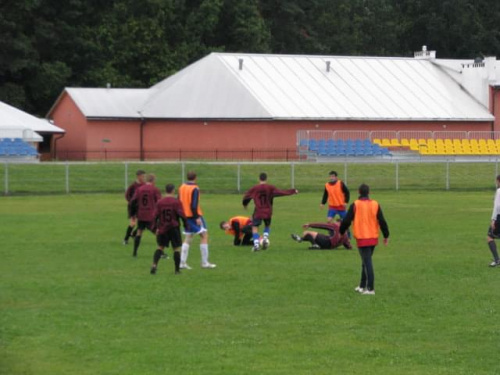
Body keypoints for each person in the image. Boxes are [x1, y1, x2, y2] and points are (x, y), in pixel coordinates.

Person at [339, 183, 389, 295]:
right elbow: (382, 221)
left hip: (362, 237)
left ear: (358, 192)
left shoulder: (355, 205)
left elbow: (346, 220)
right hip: (373, 237)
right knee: (365, 262)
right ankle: (362, 286)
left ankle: (370, 289)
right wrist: (386, 235)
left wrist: (341, 232)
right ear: (369, 192)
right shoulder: (375, 204)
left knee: (367, 262)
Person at [242, 172, 298, 251]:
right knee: (267, 226)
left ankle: (256, 245)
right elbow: (281, 192)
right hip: (268, 211)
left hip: (258, 211)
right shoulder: (270, 188)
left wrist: (245, 204)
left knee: (255, 227)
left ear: (259, 179)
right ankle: (265, 238)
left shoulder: (255, 188)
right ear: (266, 179)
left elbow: (247, 196)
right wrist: (292, 191)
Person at [178, 171, 216, 269]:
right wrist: (197, 217)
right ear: (195, 178)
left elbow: (178, 200)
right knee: (204, 235)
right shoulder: (195, 188)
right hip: (193, 216)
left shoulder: (182, 187)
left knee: (188, 237)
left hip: (184, 216)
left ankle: (182, 263)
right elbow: (194, 205)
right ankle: (204, 262)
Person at [150, 184, 187, 275]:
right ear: (173, 191)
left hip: (162, 228)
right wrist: (186, 225)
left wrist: (154, 228)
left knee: (160, 247)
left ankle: (154, 265)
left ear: (165, 190)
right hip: (174, 228)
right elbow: (182, 215)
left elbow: (154, 216)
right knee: (176, 249)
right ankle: (177, 270)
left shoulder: (159, 202)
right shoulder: (176, 202)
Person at [130, 173, 162, 257]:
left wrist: (133, 214)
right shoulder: (155, 190)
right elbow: (159, 203)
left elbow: (132, 201)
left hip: (141, 214)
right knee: (158, 232)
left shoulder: (139, 189)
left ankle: (134, 252)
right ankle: (161, 252)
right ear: (153, 181)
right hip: (150, 215)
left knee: (139, 232)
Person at [123, 169, 145, 244]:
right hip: (133, 207)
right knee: (133, 223)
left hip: (142, 207)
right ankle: (125, 239)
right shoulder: (133, 186)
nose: (143, 178)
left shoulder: (144, 185)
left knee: (144, 222)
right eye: (142, 176)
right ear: (138, 176)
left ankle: (133, 234)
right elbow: (126, 195)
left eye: (144, 176)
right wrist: (131, 202)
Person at [487, 175, 500, 267]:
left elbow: (497, 206)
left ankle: (497, 260)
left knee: (490, 237)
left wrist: (493, 219)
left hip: (499, 217)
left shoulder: (499, 191)